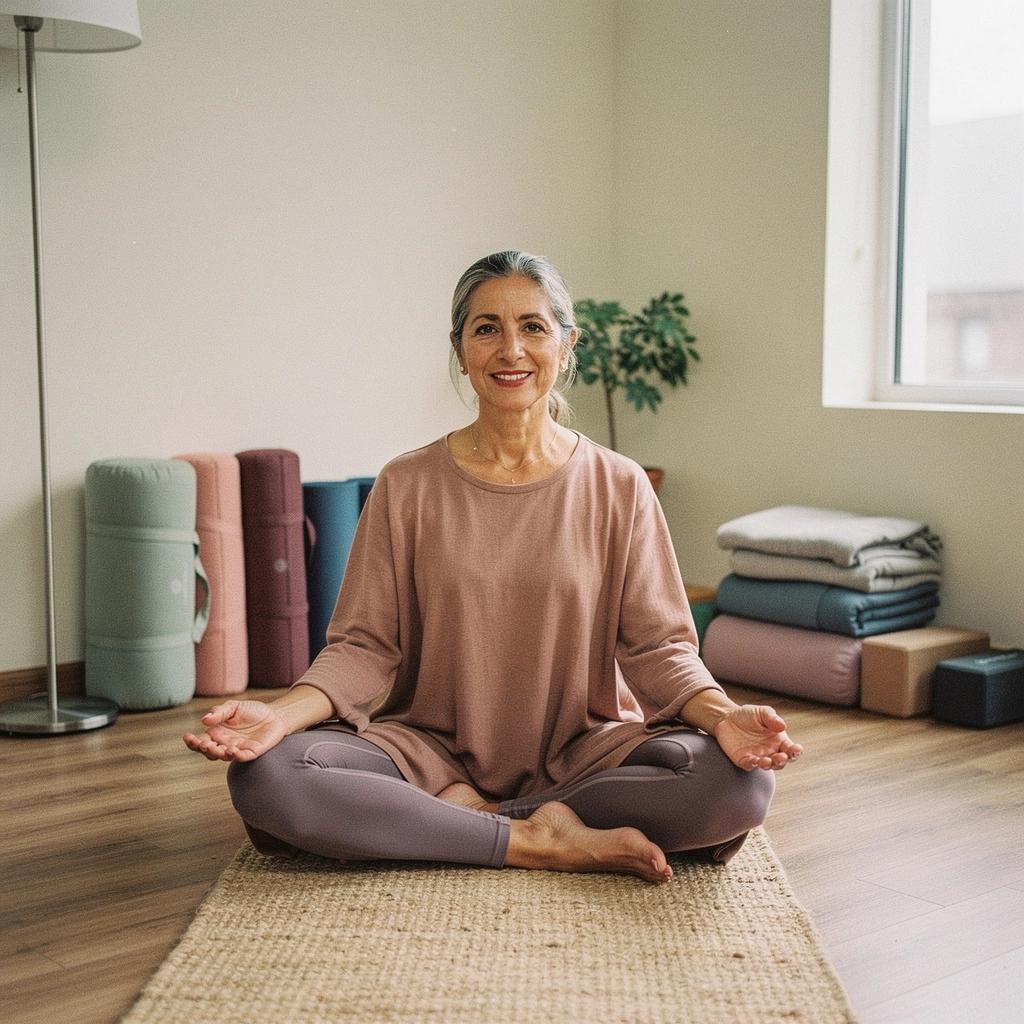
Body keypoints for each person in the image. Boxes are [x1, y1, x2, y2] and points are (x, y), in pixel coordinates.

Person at [184, 250, 802, 885]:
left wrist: (724, 718)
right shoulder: (407, 484)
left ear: (567, 344)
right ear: (460, 350)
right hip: (427, 751)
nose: (511, 349)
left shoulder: (620, 486)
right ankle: (542, 840)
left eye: (532, 327)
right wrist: (279, 716)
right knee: (270, 777)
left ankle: (459, 823)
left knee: (736, 788)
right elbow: (364, 646)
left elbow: (659, 647)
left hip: (585, 753)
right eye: (486, 329)